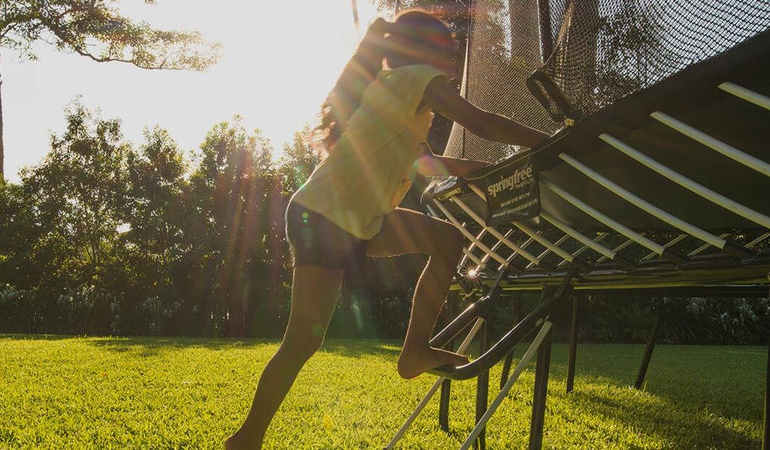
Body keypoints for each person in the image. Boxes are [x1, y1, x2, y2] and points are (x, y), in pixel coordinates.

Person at [225, 9, 549, 449]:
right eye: (450, 53)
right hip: (327, 217)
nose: (455, 64)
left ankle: (415, 349)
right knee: (302, 341)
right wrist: (552, 143)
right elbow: (483, 123)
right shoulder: (415, 79)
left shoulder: (397, 92)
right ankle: (245, 439)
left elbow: (424, 164)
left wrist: (483, 168)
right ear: (423, 51)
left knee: (446, 240)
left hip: (352, 220)